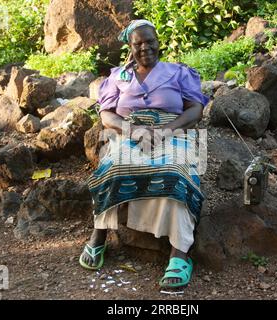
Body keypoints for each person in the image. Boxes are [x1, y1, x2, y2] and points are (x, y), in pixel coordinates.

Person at [79, 19, 209, 289]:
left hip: (173, 131)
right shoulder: (119, 76)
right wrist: (133, 130)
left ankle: (179, 254)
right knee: (112, 168)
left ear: (158, 42)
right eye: (138, 43)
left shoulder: (178, 72)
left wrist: (166, 131)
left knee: (174, 173)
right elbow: (106, 115)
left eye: (150, 41)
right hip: (130, 132)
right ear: (130, 47)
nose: (145, 48)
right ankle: (98, 236)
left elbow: (195, 109)